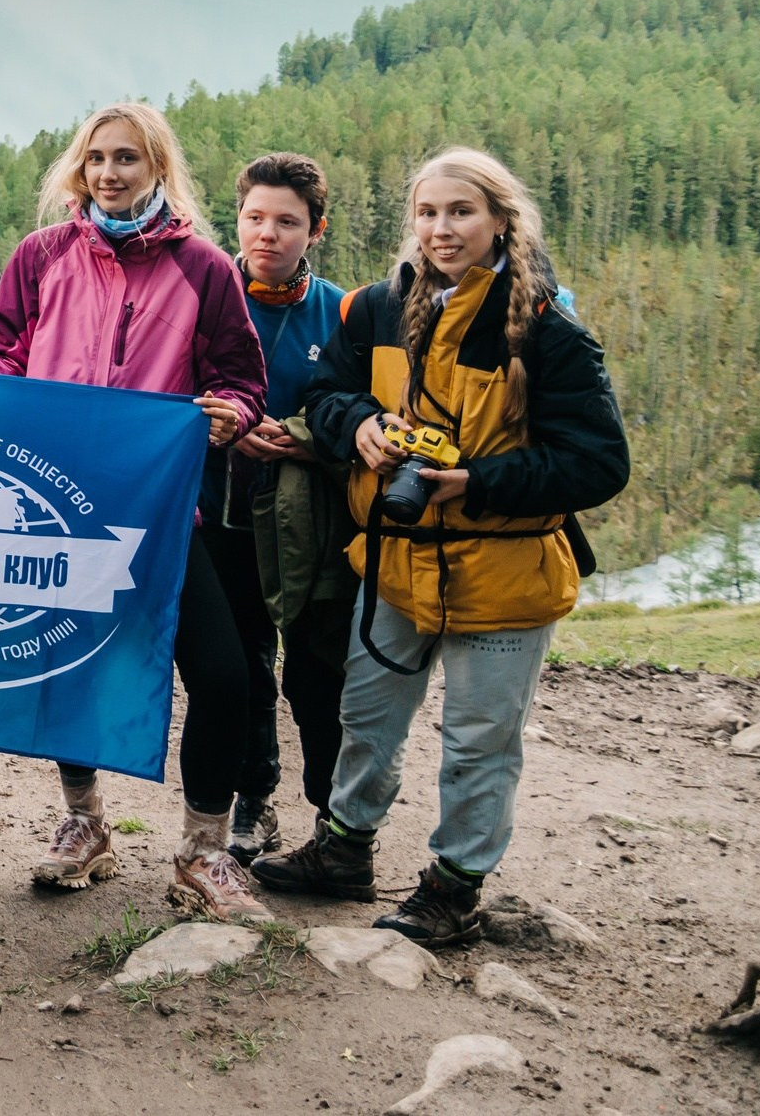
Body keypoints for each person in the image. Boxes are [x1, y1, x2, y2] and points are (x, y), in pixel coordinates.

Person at [255, 148, 628, 946]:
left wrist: (479, 480)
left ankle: (453, 887)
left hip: (505, 569)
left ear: (500, 219)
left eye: (460, 212)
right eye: (427, 213)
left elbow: (599, 462)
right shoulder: (376, 308)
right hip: (396, 560)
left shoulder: (547, 327)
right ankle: (343, 850)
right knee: (366, 714)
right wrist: (358, 427)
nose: (441, 229)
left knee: (478, 739)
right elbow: (325, 395)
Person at [0, 100, 271, 922]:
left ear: (157, 167)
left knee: (223, 675)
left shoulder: (204, 267)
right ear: (78, 166)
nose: (108, 172)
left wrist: (228, 412)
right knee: (68, 665)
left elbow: (241, 377)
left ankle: (203, 850)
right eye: (96, 158)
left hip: (161, 512)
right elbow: (2, 354)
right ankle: (83, 823)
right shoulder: (42, 255)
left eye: (126, 158)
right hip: (60, 507)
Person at [205, 153, 351, 863]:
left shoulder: (343, 312)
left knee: (317, 674)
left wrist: (297, 442)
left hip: (312, 528)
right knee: (243, 669)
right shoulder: (205, 295)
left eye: (286, 221)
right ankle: (251, 801)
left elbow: (369, 414)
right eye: (254, 218)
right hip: (221, 518)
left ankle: (333, 819)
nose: (267, 234)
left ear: (314, 229)